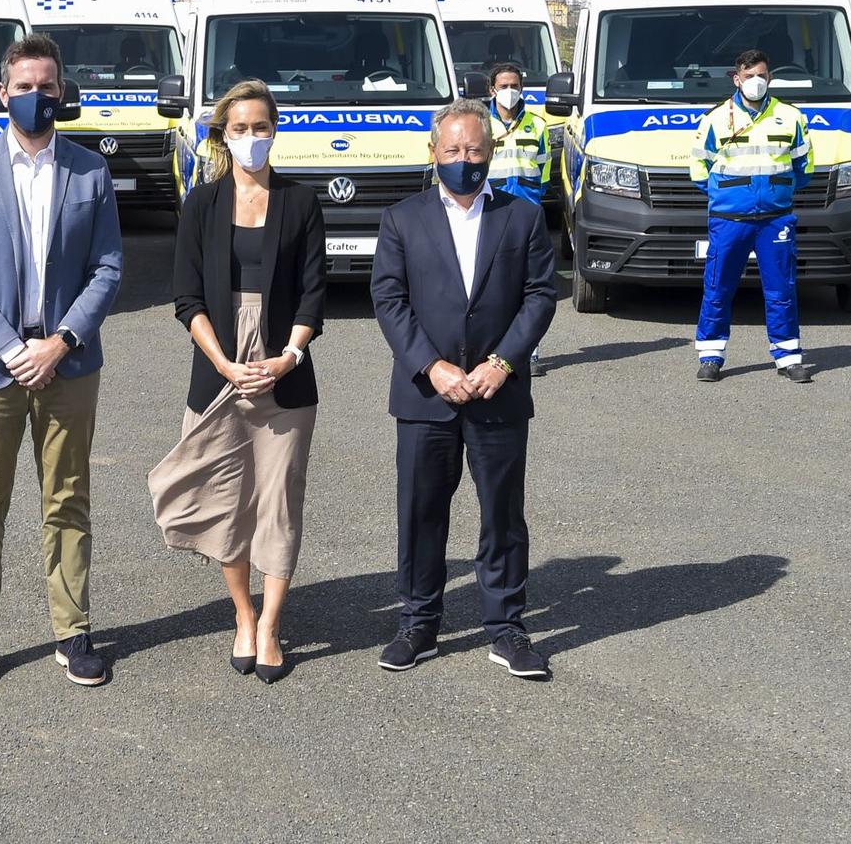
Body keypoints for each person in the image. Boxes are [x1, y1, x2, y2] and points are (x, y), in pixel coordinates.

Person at [0, 34, 123, 694]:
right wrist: (13, 349)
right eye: (24, 86)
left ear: (62, 91)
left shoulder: (88, 171)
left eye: (47, 86)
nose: (36, 97)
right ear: (3, 93)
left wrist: (61, 341)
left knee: (68, 499)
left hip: (68, 364)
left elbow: (108, 268)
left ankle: (72, 631)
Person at [370, 99, 559, 680]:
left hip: (497, 392)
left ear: (491, 152)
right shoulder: (402, 219)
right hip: (427, 396)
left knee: (502, 514)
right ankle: (419, 621)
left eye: (474, 150)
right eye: (452, 150)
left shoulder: (521, 218)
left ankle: (506, 627)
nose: (463, 160)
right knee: (422, 510)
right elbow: (390, 299)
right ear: (433, 154)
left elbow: (540, 295)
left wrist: (503, 362)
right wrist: (431, 367)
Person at [150, 79, 326, 685]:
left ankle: (271, 626)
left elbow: (313, 292)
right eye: (240, 128)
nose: (252, 138)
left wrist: (289, 357)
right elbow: (186, 296)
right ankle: (243, 616)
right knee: (224, 503)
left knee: (278, 505)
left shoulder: (302, 203)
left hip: (284, 373)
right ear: (222, 135)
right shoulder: (201, 204)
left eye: (261, 127)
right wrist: (224, 363)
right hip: (219, 369)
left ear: (276, 130)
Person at [689, 49, 815, 384]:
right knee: (718, 287)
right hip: (730, 220)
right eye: (749, 76)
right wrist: (729, 196)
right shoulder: (715, 119)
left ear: (769, 77)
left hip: (776, 219)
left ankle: (788, 356)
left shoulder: (791, 117)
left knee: (781, 289)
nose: (756, 82)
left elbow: (805, 169)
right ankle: (711, 356)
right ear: (736, 79)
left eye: (761, 75)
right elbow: (698, 169)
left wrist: (776, 193)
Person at [485, 62, 555, 377]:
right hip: (491, 210)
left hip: (527, 209)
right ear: (492, 89)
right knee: (493, 282)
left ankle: (530, 351)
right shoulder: (481, 124)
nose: (509, 91)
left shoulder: (537, 125)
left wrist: (533, 198)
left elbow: (544, 168)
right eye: (504, 86)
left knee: (529, 283)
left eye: (514, 85)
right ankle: (492, 350)